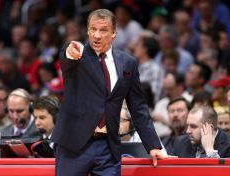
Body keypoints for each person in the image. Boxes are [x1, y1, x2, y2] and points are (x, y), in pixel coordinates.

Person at [52, 9, 166, 176]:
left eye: (103, 30)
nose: (97, 35)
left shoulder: (128, 63)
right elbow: (66, 57)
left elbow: (138, 107)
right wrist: (69, 51)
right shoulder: (77, 56)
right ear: (88, 30)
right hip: (74, 145)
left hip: (108, 146)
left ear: (114, 33)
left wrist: (153, 145)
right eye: (93, 29)